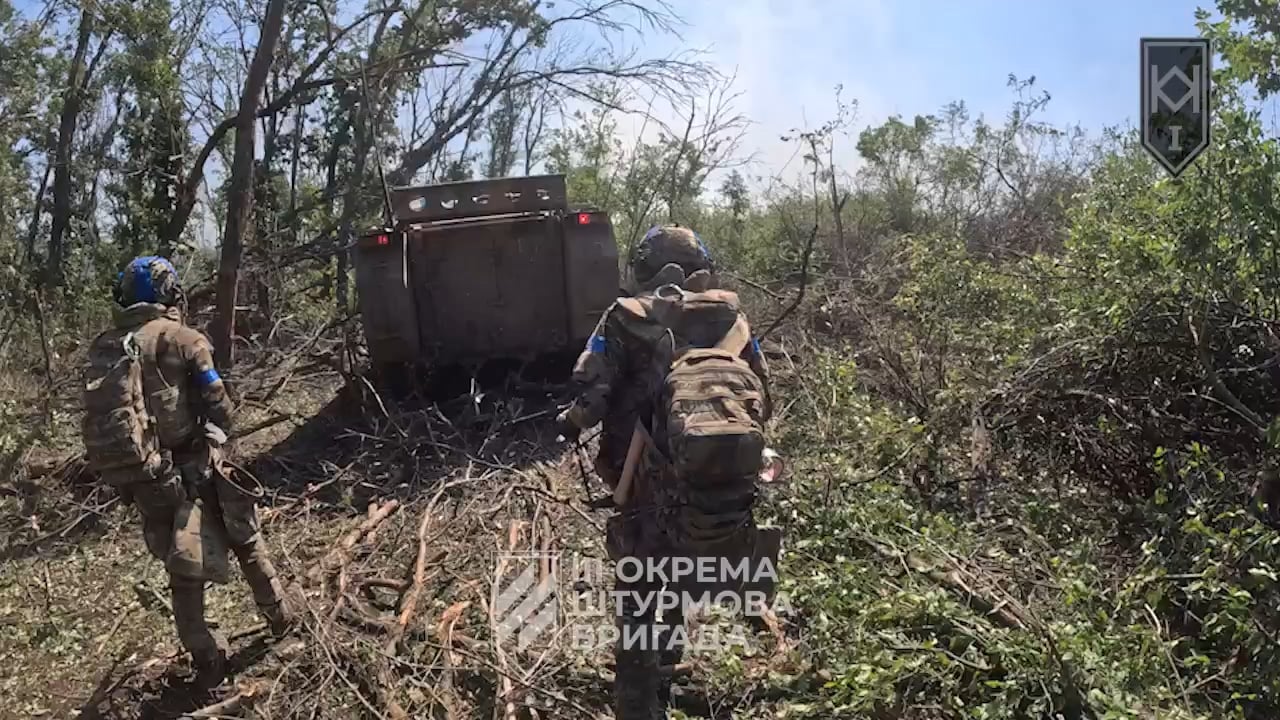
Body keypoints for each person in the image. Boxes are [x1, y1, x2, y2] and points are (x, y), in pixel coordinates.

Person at [557, 225, 775, 720]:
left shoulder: (624, 315)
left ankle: (636, 704)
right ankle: (668, 666)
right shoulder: (731, 315)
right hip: (704, 477)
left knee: (637, 591)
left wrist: (569, 424)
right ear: (701, 265)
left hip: (639, 481)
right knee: (681, 569)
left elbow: (591, 397)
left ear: (642, 268)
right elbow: (765, 391)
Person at [81, 256, 292, 691]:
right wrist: (219, 429)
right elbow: (219, 404)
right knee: (246, 539)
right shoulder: (185, 339)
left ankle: (207, 658)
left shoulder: (111, 344)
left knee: (182, 570)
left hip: (149, 476)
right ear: (169, 293)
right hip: (197, 466)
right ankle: (281, 621)